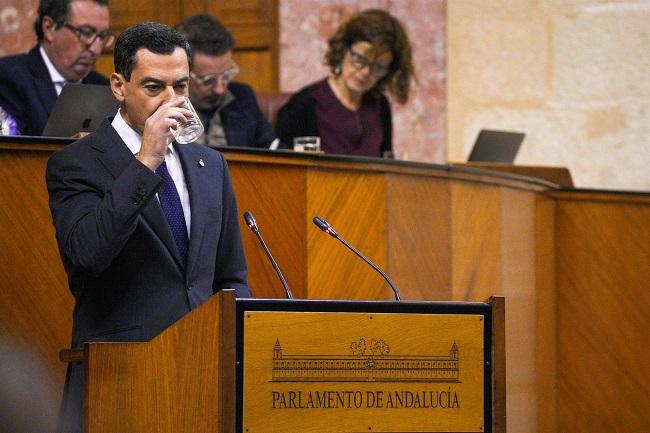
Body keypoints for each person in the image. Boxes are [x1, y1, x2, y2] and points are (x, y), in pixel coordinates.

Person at [46, 22, 250, 432]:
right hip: (120, 379)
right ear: (119, 86)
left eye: (181, 86)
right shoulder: (76, 163)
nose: (172, 101)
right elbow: (88, 254)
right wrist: (145, 162)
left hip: (202, 379)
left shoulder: (210, 165)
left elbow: (230, 277)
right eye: (155, 87)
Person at [275, 9, 415, 157]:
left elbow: (386, 165)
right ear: (343, 50)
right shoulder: (303, 106)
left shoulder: (380, 105)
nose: (366, 72)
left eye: (378, 67)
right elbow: (285, 173)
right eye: (359, 59)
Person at [0, 0, 112, 136]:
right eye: (86, 33)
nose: (96, 49)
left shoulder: (104, 87)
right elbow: (13, 152)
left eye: (102, 36)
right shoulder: (8, 77)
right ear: (49, 28)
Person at [175, 14, 280, 149]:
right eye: (208, 81)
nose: (220, 89)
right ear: (182, 73)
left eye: (226, 76)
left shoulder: (242, 96)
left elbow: (272, 148)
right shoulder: (168, 106)